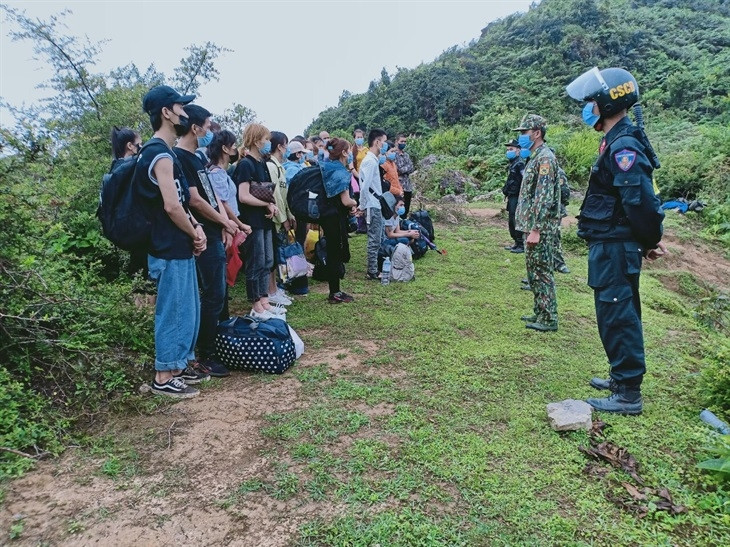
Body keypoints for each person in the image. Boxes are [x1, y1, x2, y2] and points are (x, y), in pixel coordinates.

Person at [566, 66, 666, 414]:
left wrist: (650, 240)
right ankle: (620, 377)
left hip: (616, 247)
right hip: (610, 245)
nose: (588, 108)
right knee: (614, 313)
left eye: (592, 102)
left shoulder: (623, 145)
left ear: (608, 103)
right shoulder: (614, 139)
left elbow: (639, 201)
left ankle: (628, 394)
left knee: (618, 314)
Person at [137, 85, 209, 398]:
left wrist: (196, 229)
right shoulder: (156, 154)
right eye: (180, 107)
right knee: (173, 311)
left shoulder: (165, 154)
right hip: (167, 247)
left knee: (185, 309)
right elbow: (171, 205)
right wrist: (195, 232)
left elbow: (179, 201)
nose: (184, 113)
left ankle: (177, 368)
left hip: (179, 245)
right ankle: (163, 376)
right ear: (166, 112)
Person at [175, 104, 239, 378]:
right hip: (202, 235)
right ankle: (205, 354)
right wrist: (225, 222)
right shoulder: (179, 157)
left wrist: (226, 224)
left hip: (216, 231)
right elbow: (194, 200)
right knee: (212, 295)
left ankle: (219, 343)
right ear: (195, 127)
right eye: (208, 125)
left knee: (219, 292)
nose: (210, 131)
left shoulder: (198, 159)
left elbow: (212, 195)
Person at [514, 114, 561, 332]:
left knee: (541, 271)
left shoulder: (545, 159)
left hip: (539, 227)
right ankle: (540, 311)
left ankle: (549, 318)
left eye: (524, 132)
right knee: (533, 271)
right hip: (531, 226)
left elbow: (544, 196)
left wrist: (536, 229)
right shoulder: (536, 156)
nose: (522, 136)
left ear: (537, 133)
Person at [233, 123, 284, 321]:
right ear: (256, 141)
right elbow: (243, 196)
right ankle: (255, 302)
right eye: (265, 139)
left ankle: (264, 299)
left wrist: (269, 205)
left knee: (267, 260)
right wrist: (266, 203)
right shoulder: (245, 164)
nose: (268, 143)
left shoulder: (262, 163)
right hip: (251, 221)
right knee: (255, 262)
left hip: (264, 220)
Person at [207, 130, 252, 319]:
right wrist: (237, 224)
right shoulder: (216, 173)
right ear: (225, 148)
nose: (236, 147)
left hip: (230, 224)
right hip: (226, 226)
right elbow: (222, 203)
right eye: (233, 144)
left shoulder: (222, 172)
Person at [319, 137, 358, 303]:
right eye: (348, 150)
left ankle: (334, 291)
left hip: (326, 215)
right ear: (343, 152)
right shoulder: (340, 172)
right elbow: (345, 200)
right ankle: (334, 292)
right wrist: (355, 203)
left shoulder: (327, 167)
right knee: (335, 253)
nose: (350, 154)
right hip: (335, 216)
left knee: (332, 251)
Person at [110, 126, 146, 277]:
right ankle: (147, 302)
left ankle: (137, 300)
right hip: (141, 227)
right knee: (147, 278)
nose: (142, 147)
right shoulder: (132, 167)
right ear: (130, 146)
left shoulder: (115, 168)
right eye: (140, 143)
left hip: (126, 228)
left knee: (137, 271)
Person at [266, 131, 295, 308]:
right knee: (273, 256)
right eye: (286, 145)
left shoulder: (280, 166)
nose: (287, 148)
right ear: (279, 146)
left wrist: (290, 214)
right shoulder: (271, 166)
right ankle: (271, 291)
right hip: (275, 219)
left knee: (278, 255)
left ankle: (276, 287)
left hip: (282, 215)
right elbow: (275, 195)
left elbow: (285, 195)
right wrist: (282, 217)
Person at [359, 128, 389, 280]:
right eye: (383, 142)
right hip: (372, 204)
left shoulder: (372, 160)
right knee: (374, 239)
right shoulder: (370, 161)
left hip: (375, 204)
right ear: (377, 142)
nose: (385, 145)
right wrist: (363, 206)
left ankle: (376, 267)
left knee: (378, 237)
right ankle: (372, 271)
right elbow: (364, 187)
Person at [502, 138, 525, 254]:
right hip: (512, 196)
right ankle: (516, 242)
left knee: (516, 219)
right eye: (507, 149)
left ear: (518, 150)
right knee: (511, 219)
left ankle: (521, 243)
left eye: (511, 149)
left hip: (517, 196)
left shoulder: (520, 163)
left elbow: (524, 180)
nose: (508, 151)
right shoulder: (513, 163)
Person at [394, 134, 415, 217]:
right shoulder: (393, 155)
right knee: (398, 207)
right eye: (401, 141)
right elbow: (396, 170)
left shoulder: (406, 155)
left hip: (407, 186)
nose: (403, 143)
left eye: (405, 141)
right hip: (398, 186)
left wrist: (402, 170)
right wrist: (405, 169)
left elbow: (411, 167)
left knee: (406, 209)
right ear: (396, 142)